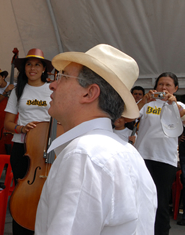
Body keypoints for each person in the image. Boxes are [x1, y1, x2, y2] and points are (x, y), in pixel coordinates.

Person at [35, 44, 157, 235]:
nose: (52, 84)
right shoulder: (131, 154)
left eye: (63, 76)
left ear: (89, 93)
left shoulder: (83, 155)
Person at [4, 48, 54, 235]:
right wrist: (21, 128)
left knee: (46, 193)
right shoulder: (18, 90)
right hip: (22, 147)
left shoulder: (52, 89)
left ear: (43, 69)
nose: (32, 68)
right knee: (22, 192)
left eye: (37, 64)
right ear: (24, 68)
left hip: (47, 147)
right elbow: (7, 123)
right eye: (29, 64)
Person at [135, 72, 185, 234]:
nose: (163, 88)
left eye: (168, 85)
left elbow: (181, 115)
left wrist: (173, 104)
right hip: (142, 156)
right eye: (160, 84)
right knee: (139, 199)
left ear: (175, 88)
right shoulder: (147, 105)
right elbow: (129, 117)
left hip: (165, 160)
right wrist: (143, 101)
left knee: (160, 202)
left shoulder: (180, 106)